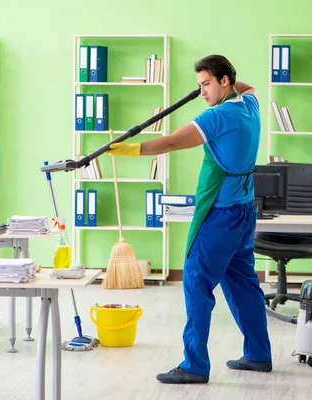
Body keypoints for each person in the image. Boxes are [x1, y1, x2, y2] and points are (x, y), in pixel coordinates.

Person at [107, 55, 272, 384]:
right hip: (244, 212)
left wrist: (131, 149)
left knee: (196, 282)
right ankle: (258, 354)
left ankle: (194, 364)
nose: (202, 92)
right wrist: (221, 83)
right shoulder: (249, 106)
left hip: (221, 216)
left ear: (224, 81)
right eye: (199, 86)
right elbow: (249, 86)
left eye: (207, 83)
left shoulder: (218, 117)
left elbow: (170, 142)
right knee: (243, 285)